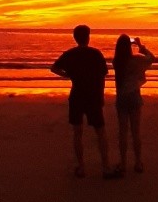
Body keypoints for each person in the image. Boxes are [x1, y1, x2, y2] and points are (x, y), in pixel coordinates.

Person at [50, 25, 119, 178]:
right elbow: (103, 74)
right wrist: (100, 93)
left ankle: (81, 167)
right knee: (100, 132)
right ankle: (105, 167)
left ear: (75, 38)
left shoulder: (70, 54)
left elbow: (53, 68)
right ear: (88, 37)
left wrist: (67, 75)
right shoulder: (95, 54)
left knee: (77, 132)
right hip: (93, 96)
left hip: (77, 95)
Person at [112, 33, 155, 176]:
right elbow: (151, 58)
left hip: (122, 97)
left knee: (122, 132)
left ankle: (123, 163)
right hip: (134, 96)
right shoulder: (136, 60)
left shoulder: (117, 62)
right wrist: (140, 46)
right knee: (135, 132)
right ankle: (138, 162)